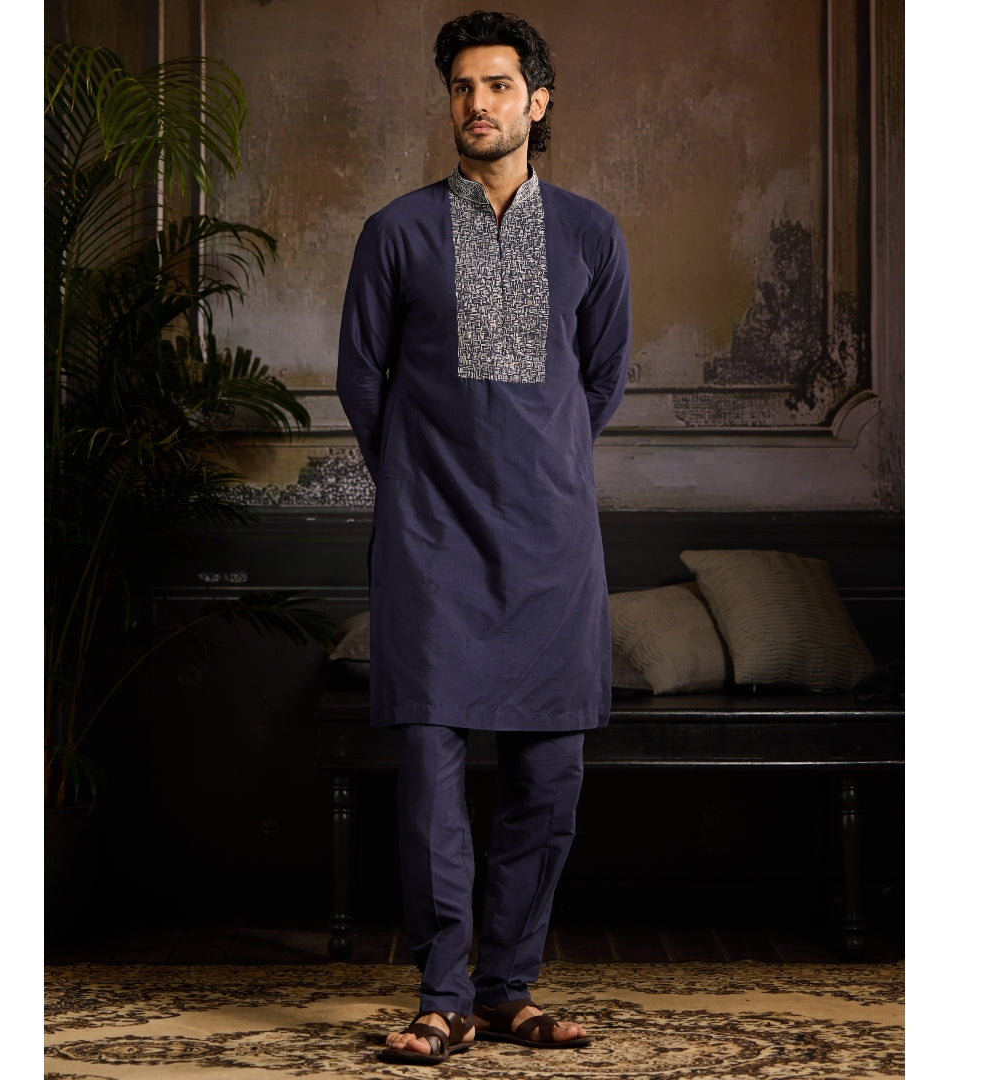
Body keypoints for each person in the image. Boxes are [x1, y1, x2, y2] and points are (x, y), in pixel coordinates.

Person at [337, 9, 631, 1066]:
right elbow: (360, 382)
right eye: (462, 86)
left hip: (552, 545)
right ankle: (442, 995)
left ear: (536, 102)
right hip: (430, 544)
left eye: (499, 85)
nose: (478, 103)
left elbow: (600, 382)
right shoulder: (398, 232)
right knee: (430, 774)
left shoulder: (590, 233)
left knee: (549, 778)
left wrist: (535, 465)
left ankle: (506, 990)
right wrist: (428, 479)